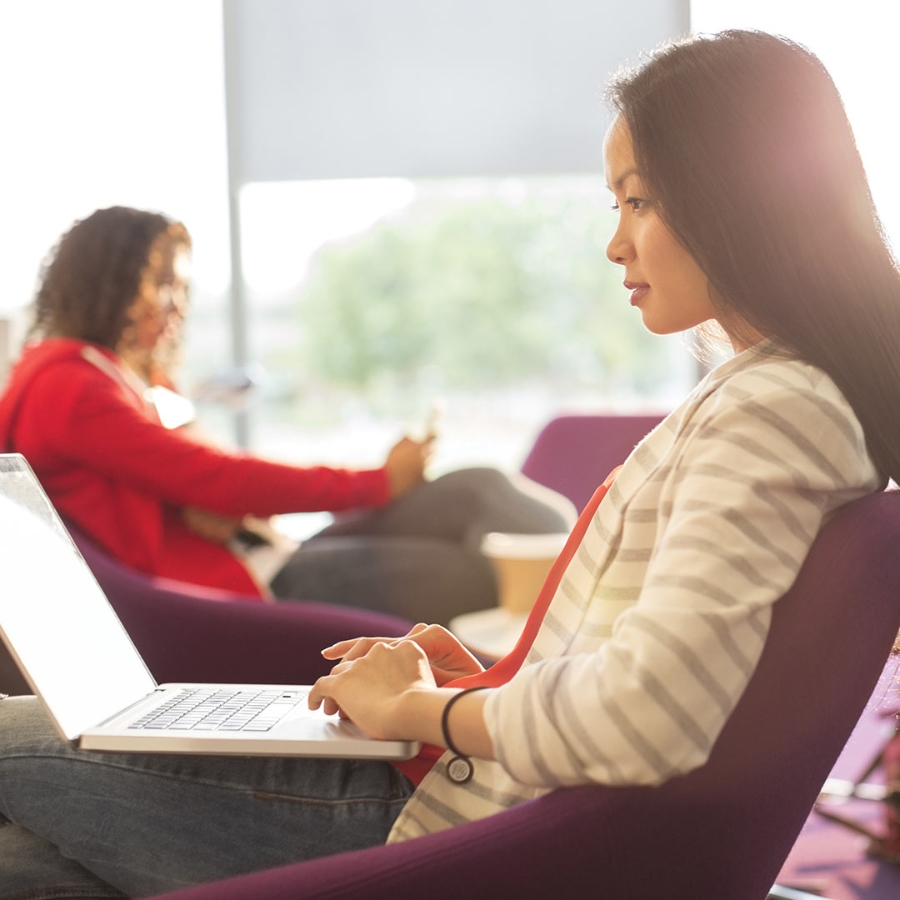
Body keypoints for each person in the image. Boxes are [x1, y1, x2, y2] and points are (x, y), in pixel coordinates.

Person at [3, 28, 900, 897]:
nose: (614, 243)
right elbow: (653, 677)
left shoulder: (773, 409)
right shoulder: (777, 397)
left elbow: (647, 715)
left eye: (638, 200)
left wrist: (416, 712)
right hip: (475, 793)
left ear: (733, 195)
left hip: (442, 823)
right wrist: (483, 678)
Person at [0, 206, 575, 625]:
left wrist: (205, 499)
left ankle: (611, 586)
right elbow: (222, 479)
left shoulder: (129, 375)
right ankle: (607, 616)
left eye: (181, 286)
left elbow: (206, 473)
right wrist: (378, 481)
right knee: (479, 571)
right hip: (246, 586)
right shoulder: (71, 388)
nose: (177, 305)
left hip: (261, 551)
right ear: (109, 286)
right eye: (160, 285)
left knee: (478, 486)